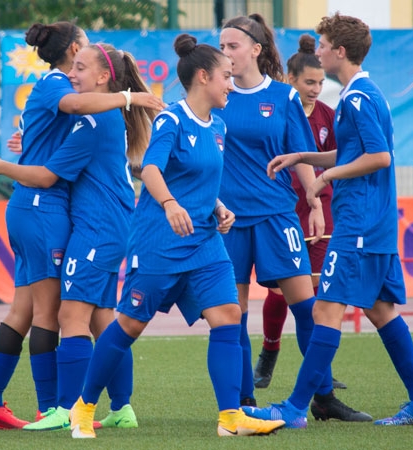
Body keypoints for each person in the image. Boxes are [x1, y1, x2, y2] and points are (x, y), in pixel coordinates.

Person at [67, 33, 286, 439]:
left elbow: (201, 179)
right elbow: (149, 170)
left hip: (204, 242)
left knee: (228, 316)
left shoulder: (218, 125)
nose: (230, 84)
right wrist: (170, 204)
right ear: (203, 77)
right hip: (160, 243)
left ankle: (231, 418)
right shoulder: (171, 119)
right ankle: (83, 408)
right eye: (226, 76)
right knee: (130, 325)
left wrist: (218, 206)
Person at [243, 12, 413, 428]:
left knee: (326, 311)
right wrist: (304, 157)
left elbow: (379, 157)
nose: (317, 50)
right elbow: (355, 151)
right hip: (376, 221)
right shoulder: (364, 93)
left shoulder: (355, 98)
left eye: (322, 44)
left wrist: (325, 178)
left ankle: (296, 409)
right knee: (381, 310)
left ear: (340, 51)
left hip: (359, 223)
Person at [0, 21, 163, 430]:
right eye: (74, 64)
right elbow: (71, 119)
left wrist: (7, 164)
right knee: (81, 315)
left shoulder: (91, 111)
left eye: (83, 67)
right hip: (55, 214)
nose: (73, 75)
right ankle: (108, 406)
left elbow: (52, 167)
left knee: (60, 314)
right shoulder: (77, 98)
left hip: (70, 216)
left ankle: (57, 409)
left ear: (102, 75)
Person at [216, 14, 369, 422]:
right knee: (234, 313)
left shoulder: (282, 97)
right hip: (228, 221)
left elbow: (299, 152)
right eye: (222, 46)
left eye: (232, 46)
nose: (226, 53)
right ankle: (243, 402)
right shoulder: (214, 93)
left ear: (255, 50)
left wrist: (316, 203)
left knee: (308, 309)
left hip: (276, 216)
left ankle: (323, 397)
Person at [253, 34, 346, 392]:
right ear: (290, 80)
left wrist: (320, 200)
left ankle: (321, 371)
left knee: (319, 294)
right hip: (278, 211)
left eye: (321, 83)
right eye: (309, 82)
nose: (316, 89)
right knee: (280, 293)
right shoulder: (275, 108)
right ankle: (269, 352)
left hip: (319, 211)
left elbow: (339, 160)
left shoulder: (328, 116)